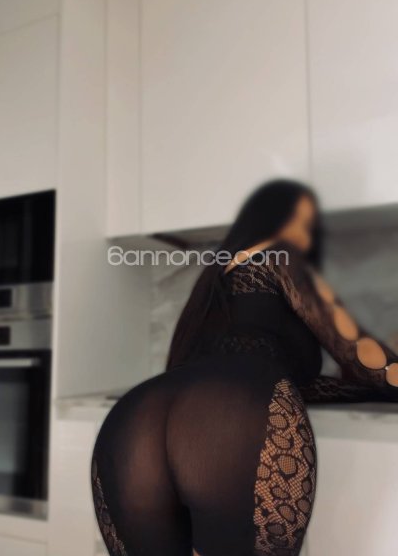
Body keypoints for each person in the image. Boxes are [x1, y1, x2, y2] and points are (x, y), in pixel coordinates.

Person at [91, 179, 398, 556]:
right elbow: (361, 353)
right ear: (270, 219)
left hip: (136, 417)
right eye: (302, 224)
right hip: (233, 421)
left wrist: (359, 388)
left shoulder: (210, 288)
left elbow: (286, 384)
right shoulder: (279, 255)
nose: (306, 237)